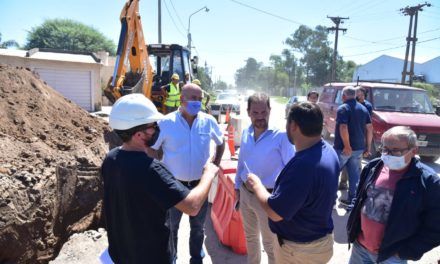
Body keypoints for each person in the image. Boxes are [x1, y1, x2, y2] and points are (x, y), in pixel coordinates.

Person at [101, 94, 219, 263]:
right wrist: (207, 174)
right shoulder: (151, 168)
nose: (157, 129)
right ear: (139, 135)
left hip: (121, 254)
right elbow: (192, 206)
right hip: (151, 256)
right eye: (153, 126)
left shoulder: (111, 159)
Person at [246, 102, 340, 264]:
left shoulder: (304, 166)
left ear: (293, 125)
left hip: (298, 251)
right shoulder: (327, 151)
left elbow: (275, 213)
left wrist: (257, 186)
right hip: (318, 243)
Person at [150, 83, 225, 264]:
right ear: (182, 100)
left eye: (199, 99)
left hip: (200, 185)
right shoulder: (166, 122)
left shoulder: (208, 121)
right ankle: (172, 259)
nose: (197, 102)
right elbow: (152, 150)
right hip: (173, 186)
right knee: (172, 227)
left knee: (198, 227)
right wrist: (157, 174)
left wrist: (214, 165)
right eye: (193, 98)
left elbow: (220, 143)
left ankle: (196, 259)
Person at [346, 126, 440, 263]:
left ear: (414, 151)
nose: (388, 155)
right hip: (360, 249)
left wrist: (408, 251)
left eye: (395, 151)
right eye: (385, 149)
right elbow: (359, 196)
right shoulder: (373, 167)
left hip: (391, 256)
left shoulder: (428, 181)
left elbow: (436, 226)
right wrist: (352, 219)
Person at [234, 92, 295, 264]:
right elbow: (242, 162)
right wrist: (237, 186)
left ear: (270, 110)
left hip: (269, 199)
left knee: (270, 244)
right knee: (251, 239)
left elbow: (291, 169)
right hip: (246, 195)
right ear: (248, 112)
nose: (260, 117)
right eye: (255, 113)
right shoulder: (246, 132)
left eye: (263, 112)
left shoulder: (281, 136)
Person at [334, 86, 373, 207]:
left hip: (343, 148)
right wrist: (368, 147)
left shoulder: (343, 108)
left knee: (333, 173)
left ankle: (330, 201)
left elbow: (343, 127)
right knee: (354, 175)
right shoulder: (363, 108)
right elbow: (370, 128)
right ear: (355, 95)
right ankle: (353, 201)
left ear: (344, 96)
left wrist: (347, 146)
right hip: (358, 149)